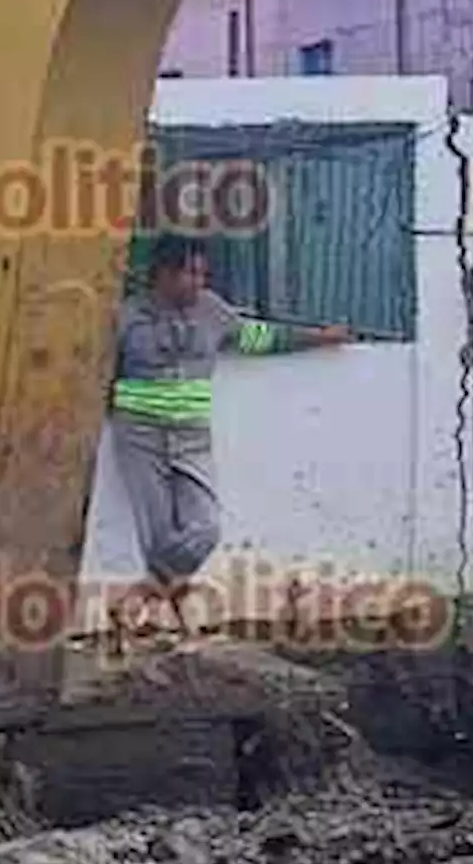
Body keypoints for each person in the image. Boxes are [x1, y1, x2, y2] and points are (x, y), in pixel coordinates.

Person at [110, 233, 349, 630]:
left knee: (204, 528)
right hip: (138, 434)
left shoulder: (212, 311)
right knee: (157, 535)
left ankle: (140, 596)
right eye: (189, 273)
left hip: (191, 435)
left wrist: (319, 338)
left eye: (203, 273)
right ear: (162, 275)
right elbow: (98, 366)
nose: (198, 282)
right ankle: (174, 621)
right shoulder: (126, 315)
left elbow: (260, 338)